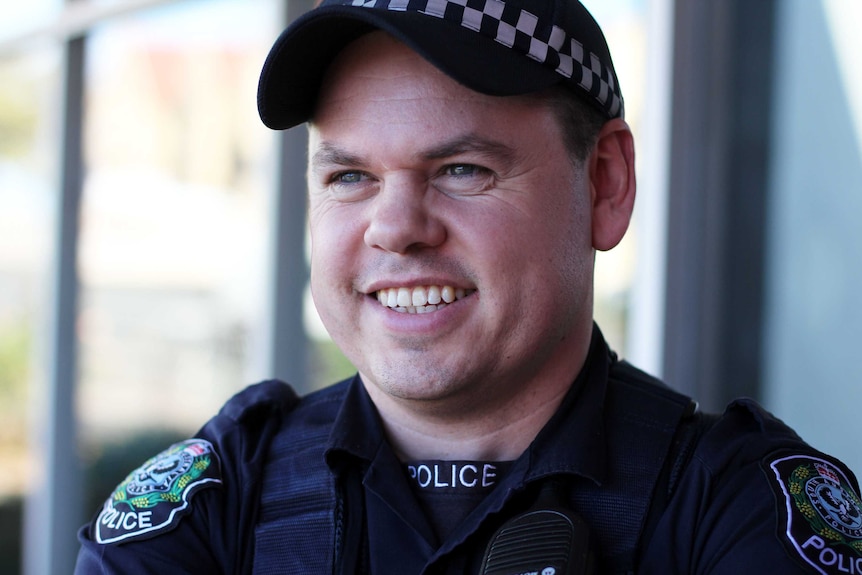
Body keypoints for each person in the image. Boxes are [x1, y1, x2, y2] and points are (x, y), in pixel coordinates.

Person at [75, 1, 862, 573]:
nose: (396, 226)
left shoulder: (739, 511)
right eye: (350, 175)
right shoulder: (217, 505)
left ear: (607, 183)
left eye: (461, 170)